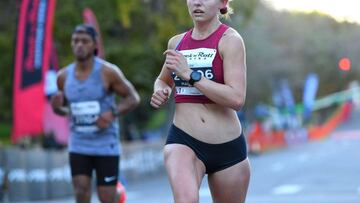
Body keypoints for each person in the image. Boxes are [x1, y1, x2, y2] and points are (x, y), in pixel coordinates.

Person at [150, 0, 250, 202]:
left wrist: (190, 75)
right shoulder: (176, 43)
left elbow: (236, 98)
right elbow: (163, 80)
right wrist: (161, 90)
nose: (197, 2)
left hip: (227, 146)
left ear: (222, 2)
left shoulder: (230, 40)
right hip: (184, 140)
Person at [51, 24, 140, 203]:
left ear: (94, 45)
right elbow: (67, 110)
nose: (79, 45)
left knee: (106, 197)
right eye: (75, 41)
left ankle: (118, 195)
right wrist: (57, 108)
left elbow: (133, 98)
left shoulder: (108, 72)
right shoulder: (63, 77)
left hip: (105, 144)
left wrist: (112, 113)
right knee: (81, 191)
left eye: (84, 41)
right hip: (79, 143)